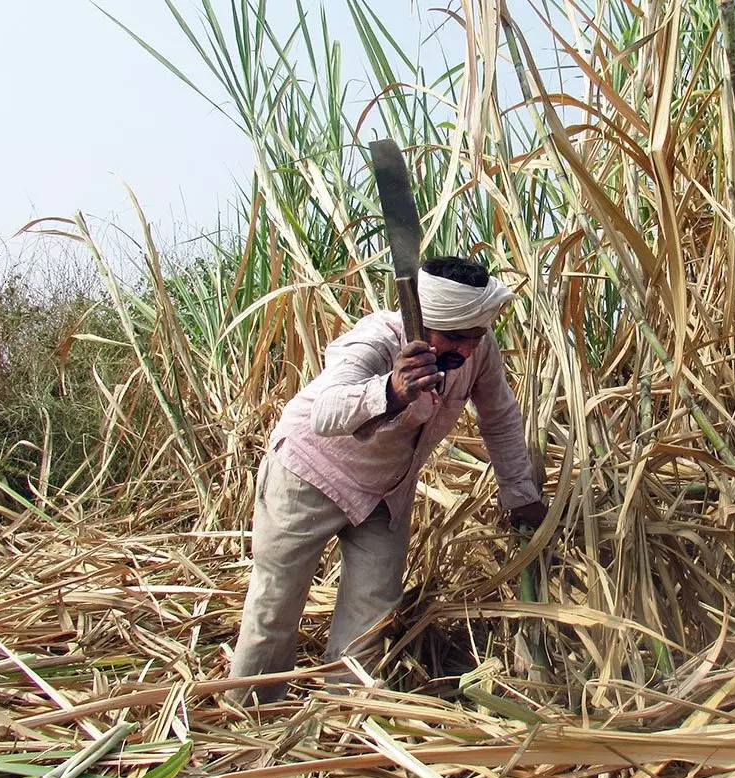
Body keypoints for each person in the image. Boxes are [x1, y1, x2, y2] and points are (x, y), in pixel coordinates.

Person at [228, 256, 547, 702]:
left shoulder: (479, 347)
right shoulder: (377, 339)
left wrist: (519, 492)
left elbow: (500, 419)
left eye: (475, 336)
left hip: (384, 494)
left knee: (372, 613)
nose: (469, 348)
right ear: (425, 320)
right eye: (456, 337)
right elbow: (327, 411)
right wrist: (391, 392)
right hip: (308, 475)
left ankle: (348, 719)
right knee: (276, 603)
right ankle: (248, 719)